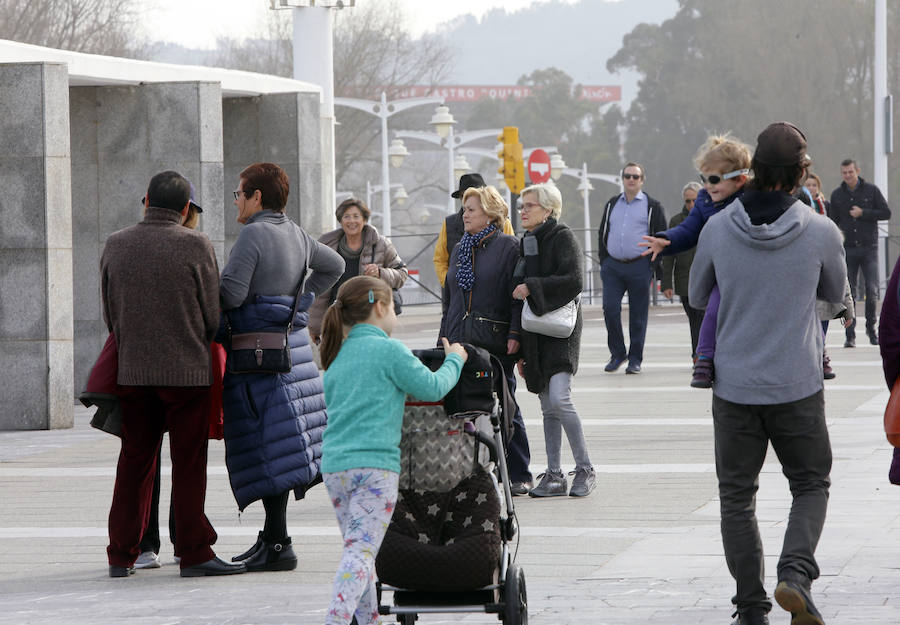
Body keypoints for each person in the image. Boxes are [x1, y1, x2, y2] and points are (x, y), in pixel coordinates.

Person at [689, 122, 846, 625]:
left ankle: (751, 608)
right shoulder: (821, 230)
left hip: (734, 386)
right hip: (797, 384)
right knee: (811, 483)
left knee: (737, 497)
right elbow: (836, 295)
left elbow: (696, 294)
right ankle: (795, 574)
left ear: (753, 169)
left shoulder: (717, 228)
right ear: (802, 172)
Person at [101, 170, 245, 578]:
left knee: (134, 462)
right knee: (188, 462)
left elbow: (110, 314)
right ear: (186, 209)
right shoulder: (196, 244)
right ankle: (194, 552)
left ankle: (120, 554)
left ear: (146, 201)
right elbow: (210, 316)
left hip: (133, 371)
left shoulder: (115, 244)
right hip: (187, 374)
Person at [319, 275, 467, 625]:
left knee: (360, 553)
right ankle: (336, 619)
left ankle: (370, 620)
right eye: (394, 308)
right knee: (360, 552)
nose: (395, 317)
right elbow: (433, 388)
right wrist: (455, 360)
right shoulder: (389, 350)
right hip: (375, 468)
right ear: (381, 306)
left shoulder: (336, 356)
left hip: (335, 468)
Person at [219, 162, 344, 572]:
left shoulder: (254, 233)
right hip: (289, 352)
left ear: (257, 197)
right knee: (281, 446)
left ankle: (277, 545)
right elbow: (336, 266)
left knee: (268, 443)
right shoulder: (296, 232)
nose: (236, 200)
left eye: (239, 192)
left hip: (257, 354)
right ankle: (274, 539)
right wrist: (299, 300)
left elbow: (234, 295)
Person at [438, 185, 533, 495]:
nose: (464, 214)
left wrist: (515, 334)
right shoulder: (460, 248)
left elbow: (517, 297)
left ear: (490, 214)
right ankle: (466, 471)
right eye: (464, 209)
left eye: (471, 210)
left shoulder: (508, 247)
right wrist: (444, 335)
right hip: (458, 339)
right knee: (459, 407)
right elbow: (450, 297)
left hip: (493, 340)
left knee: (506, 407)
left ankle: (518, 471)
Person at [640, 134, 751, 388]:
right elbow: (689, 229)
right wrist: (665, 240)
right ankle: (704, 360)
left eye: (714, 179)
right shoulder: (703, 200)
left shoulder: (750, 198)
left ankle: (815, 351)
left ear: (740, 179)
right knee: (711, 310)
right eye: (704, 179)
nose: (708, 186)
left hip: (752, 271)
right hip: (722, 273)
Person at [512, 183, 595, 498]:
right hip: (535, 334)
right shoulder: (527, 241)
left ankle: (585, 468)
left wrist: (532, 287)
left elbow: (574, 280)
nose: (523, 211)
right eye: (522, 206)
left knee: (560, 399)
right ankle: (555, 474)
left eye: (529, 206)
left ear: (547, 209)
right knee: (547, 406)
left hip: (560, 332)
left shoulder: (562, 237)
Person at [597, 162, 666, 374]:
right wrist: (605, 260)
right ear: (623, 178)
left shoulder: (652, 205)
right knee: (610, 308)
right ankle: (618, 353)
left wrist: (652, 266)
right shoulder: (612, 204)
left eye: (635, 176)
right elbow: (602, 231)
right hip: (613, 267)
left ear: (642, 180)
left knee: (638, 315)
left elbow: (662, 237)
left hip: (639, 266)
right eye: (627, 176)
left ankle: (635, 359)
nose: (631, 180)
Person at [309, 197, 408, 343]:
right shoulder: (327, 246)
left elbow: (402, 274)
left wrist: (381, 273)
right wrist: (315, 327)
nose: (351, 221)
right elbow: (320, 291)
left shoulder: (381, 244)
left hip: (370, 318)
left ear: (364, 219)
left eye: (356, 216)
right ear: (340, 220)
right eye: (346, 216)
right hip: (338, 318)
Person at [829, 158, 891, 347]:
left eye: (851, 172)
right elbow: (832, 222)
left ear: (857, 171)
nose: (848, 176)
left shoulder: (871, 191)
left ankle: (872, 330)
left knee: (871, 291)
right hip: (848, 250)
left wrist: (863, 213)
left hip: (869, 248)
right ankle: (850, 334)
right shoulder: (837, 195)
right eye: (844, 173)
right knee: (848, 294)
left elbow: (885, 213)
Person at [433, 173, 516, 287]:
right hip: (456, 297)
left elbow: (511, 261)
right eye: (463, 196)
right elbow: (440, 259)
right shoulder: (449, 224)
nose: (467, 199)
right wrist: (450, 283)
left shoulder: (503, 223)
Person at [660, 181, 704, 361]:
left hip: (706, 278)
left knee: (702, 317)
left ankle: (701, 354)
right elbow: (669, 255)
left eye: (695, 200)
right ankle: (698, 354)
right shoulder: (676, 221)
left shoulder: (710, 218)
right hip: (684, 280)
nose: (691, 205)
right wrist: (667, 283)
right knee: (694, 319)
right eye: (688, 201)